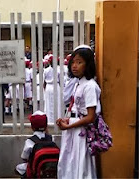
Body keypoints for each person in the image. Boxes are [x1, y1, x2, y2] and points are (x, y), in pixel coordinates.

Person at [56, 45, 99, 178]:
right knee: (69, 161)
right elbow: (77, 109)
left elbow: (90, 116)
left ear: (88, 65)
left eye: (79, 62)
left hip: (80, 131)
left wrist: (69, 125)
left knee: (80, 162)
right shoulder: (78, 83)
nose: (74, 66)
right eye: (73, 62)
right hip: (74, 127)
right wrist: (67, 119)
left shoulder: (90, 86)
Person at [15, 110, 50, 177]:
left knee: (18, 168)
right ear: (46, 126)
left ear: (32, 127)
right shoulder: (51, 138)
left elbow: (24, 157)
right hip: (49, 167)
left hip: (35, 169)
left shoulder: (30, 141)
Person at [43, 56, 62, 124]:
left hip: (49, 86)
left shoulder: (46, 70)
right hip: (56, 86)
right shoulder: (59, 70)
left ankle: (50, 120)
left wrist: (44, 88)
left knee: (48, 103)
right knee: (57, 103)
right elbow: (60, 80)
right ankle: (57, 118)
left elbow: (44, 81)